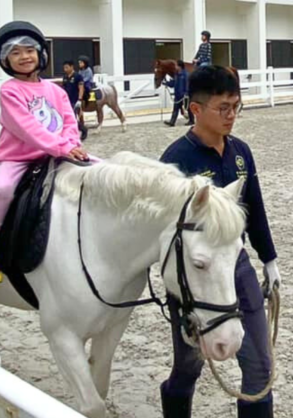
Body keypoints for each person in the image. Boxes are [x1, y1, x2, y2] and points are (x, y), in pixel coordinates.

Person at [159, 65, 279, 418]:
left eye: (236, 106)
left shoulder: (241, 152)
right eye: (223, 108)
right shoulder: (175, 160)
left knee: (259, 365)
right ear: (196, 109)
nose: (231, 116)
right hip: (195, 274)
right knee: (190, 367)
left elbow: (253, 208)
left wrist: (269, 260)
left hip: (236, 264)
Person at [0, 21, 87, 286]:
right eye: (15, 53)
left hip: (57, 153)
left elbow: (70, 121)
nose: (24, 56)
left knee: (99, 169)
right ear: (6, 60)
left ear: (40, 54)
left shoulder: (56, 91)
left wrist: (72, 144)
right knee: (2, 191)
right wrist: (62, 147)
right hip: (16, 158)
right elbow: (28, 129)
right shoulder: (10, 90)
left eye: (29, 50)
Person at [61, 60, 88, 140]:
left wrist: (79, 99)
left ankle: (83, 129)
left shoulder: (78, 76)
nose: (65, 69)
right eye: (64, 68)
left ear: (72, 67)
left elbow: (81, 88)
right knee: (69, 118)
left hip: (75, 100)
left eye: (67, 67)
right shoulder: (65, 77)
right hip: (67, 101)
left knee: (72, 117)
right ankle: (80, 129)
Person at [163, 60, 194, 127]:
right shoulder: (176, 74)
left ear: (180, 66)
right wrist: (166, 83)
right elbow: (173, 83)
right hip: (177, 95)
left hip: (184, 95)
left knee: (188, 108)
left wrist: (186, 93)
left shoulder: (185, 74)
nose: (175, 67)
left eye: (176, 65)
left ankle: (191, 120)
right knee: (175, 109)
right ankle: (172, 122)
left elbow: (187, 84)